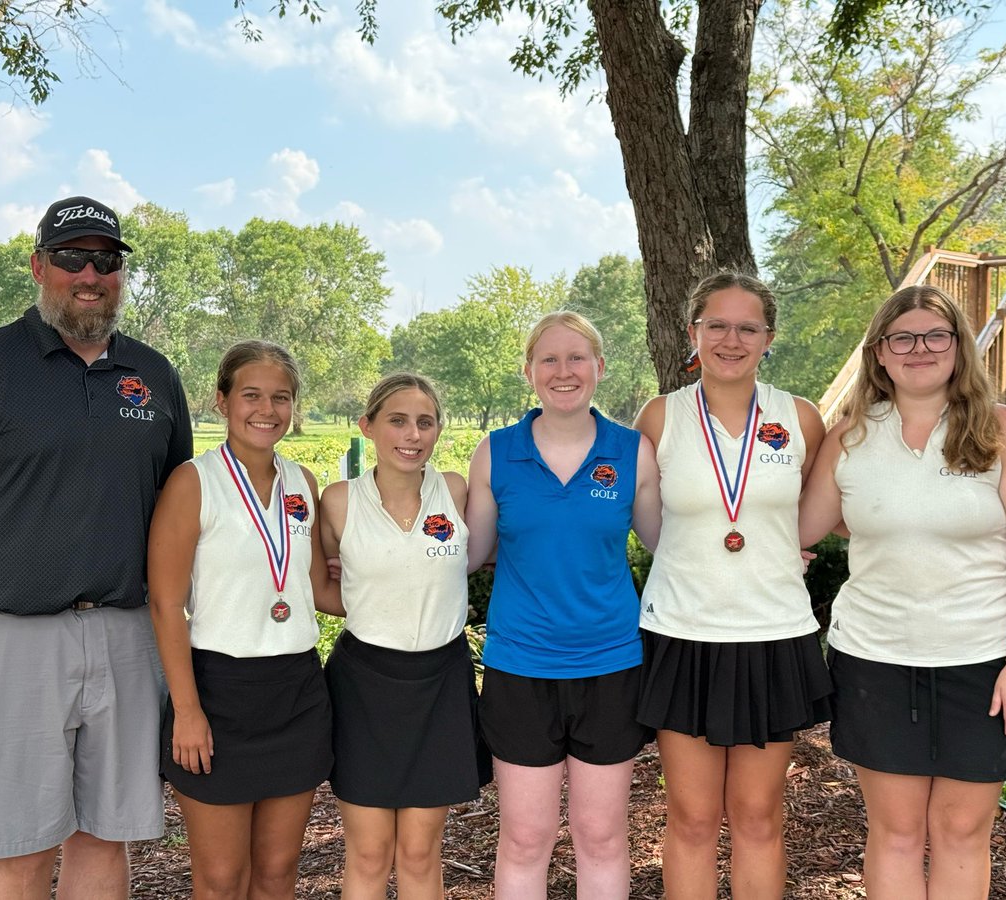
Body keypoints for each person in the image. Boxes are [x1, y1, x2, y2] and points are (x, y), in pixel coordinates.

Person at [0, 196, 192, 897]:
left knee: (103, 839)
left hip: (125, 633)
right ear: (38, 266)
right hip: (8, 639)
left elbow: (179, 505)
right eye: (70, 257)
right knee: (20, 848)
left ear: (120, 273)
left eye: (106, 259)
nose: (89, 273)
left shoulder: (153, 375)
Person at [798, 284, 1006, 899]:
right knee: (893, 832)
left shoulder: (1004, 431)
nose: (920, 349)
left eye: (935, 336)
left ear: (958, 348)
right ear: (880, 354)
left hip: (986, 661)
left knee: (963, 829)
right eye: (903, 338)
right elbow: (801, 529)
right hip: (875, 660)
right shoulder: (852, 436)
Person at [633, 271, 832, 899]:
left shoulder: (798, 416)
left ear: (768, 337)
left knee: (758, 817)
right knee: (690, 819)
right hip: (682, 633)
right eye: (716, 324)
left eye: (748, 327)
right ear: (693, 332)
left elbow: (822, 511)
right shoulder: (661, 417)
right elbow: (647, 526)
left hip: (773, 635)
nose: (730, 339)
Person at [465, 310, 662, 899]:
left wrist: (773, 546)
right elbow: (468, 555)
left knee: (600, 836)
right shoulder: (496, 453)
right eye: (549, 359)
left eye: (577, 357)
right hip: (520, 667)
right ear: (529, 372)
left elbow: (671, 548)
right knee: (525, 839)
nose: (564, 370)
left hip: (610, 666)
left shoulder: (633, 452)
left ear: (599, 368)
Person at [147, 340, 336, 898]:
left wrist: (422, 581)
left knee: (278, 874)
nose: (266, 409)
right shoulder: (193, 482)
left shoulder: (303, 483)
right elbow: (165, 604)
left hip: (298, 691)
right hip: (218, 694)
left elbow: (320, 590)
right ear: (222, 401)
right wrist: (187, 711)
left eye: (281, 397)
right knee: (222, 878)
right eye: (251, 394)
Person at [317, 372, 491, 899]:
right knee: (369, 852)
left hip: (440, 684)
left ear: (438, 430)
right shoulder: (339, 501)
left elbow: (487, 558)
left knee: (420, 851)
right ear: (367, 426)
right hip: (365, 685)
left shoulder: (455, 490)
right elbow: (324, 592)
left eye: (425, 422)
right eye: (397, 420)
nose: (411, 434)